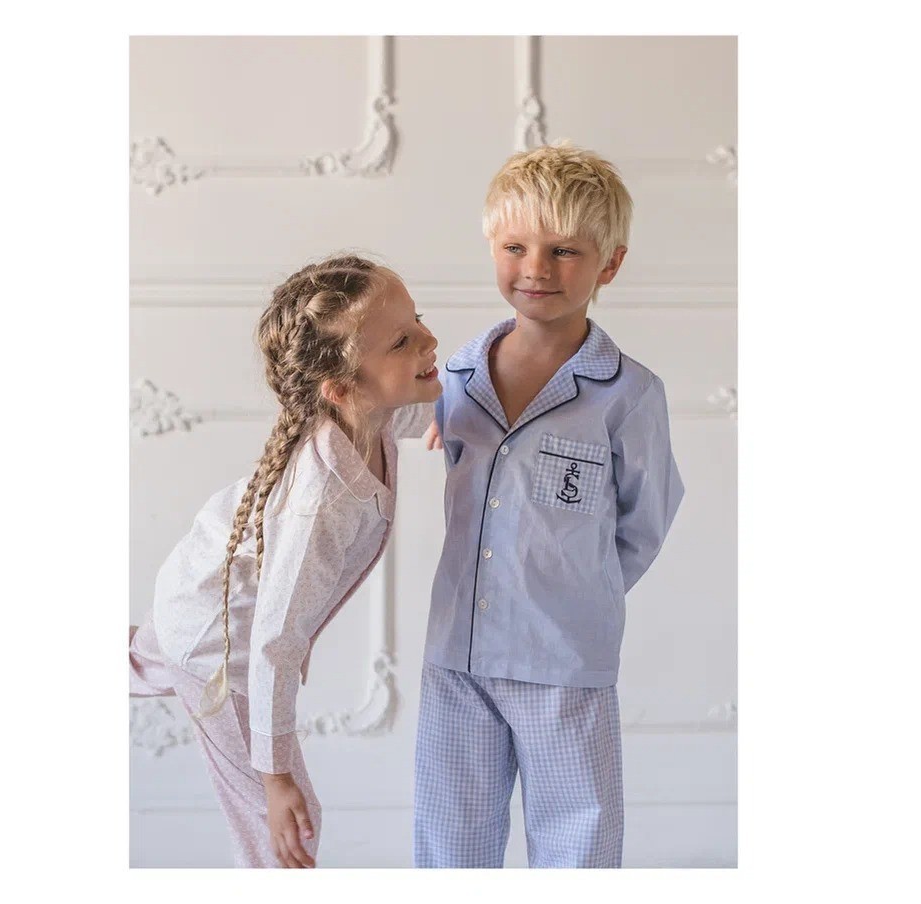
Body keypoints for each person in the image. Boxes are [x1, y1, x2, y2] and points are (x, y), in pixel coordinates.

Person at [414, 144, 685, 868]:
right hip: (456, 653)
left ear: (609, 264)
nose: (535, 268)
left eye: (564, 250)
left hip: (564, 659)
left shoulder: (628, 394)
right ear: (492, 247)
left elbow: (646, 520)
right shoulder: (450, 378)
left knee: (576, 841)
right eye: (515, 247)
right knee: (450, 841)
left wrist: (575, 590)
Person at [130, 254, 439, 868]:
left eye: (419, 320)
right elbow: (275, 642)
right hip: (220, 651)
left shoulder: (366, 414)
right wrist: (274, 777)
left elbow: (435, 402)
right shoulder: (321, 503)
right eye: (402, 341)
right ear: (341, 388)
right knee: (286, 826)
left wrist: (464, 410)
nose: (429, 340)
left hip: (195, 591)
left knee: (137, 662)